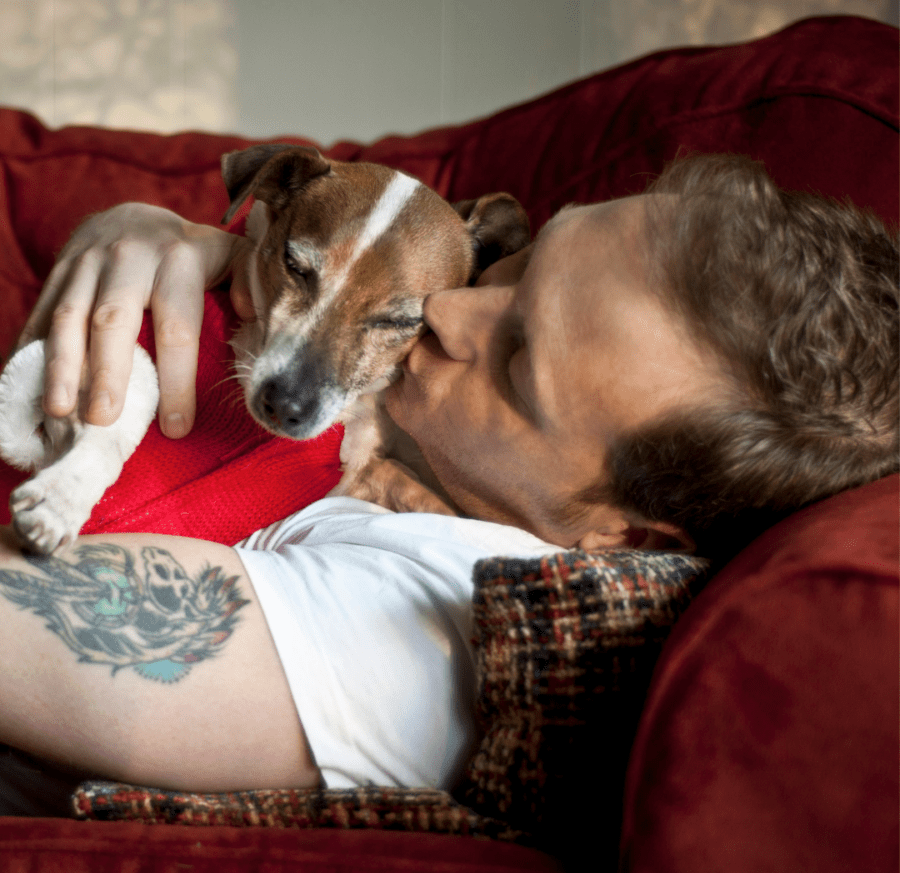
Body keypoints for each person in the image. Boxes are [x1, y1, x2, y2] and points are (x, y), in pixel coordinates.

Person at [0, 154, 896, 812]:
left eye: (515, 362)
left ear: (627, 538)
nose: (444, 310)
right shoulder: (407, 425)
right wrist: (135, 239)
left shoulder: (432, 628)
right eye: (514, 267)